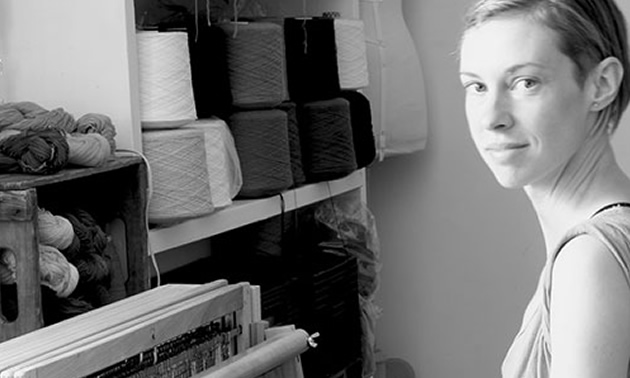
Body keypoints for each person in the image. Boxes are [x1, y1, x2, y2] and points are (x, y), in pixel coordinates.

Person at [458, 0, 630, 377]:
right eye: (477, 86)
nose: (491, 118)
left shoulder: (590, 259)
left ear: (601, 85)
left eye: (526, 82)